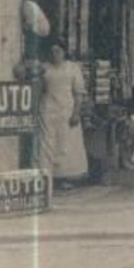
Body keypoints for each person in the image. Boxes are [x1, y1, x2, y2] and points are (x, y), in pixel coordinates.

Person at [37, 43, 89, 192]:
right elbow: (39, 88)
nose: (55, 54)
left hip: (67, 110)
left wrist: (76, 113)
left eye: (58, 51)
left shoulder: (72, 68)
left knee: (66, 144)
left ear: (64, 52)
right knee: (47, 143)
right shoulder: (44, 68)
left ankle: (65, 178)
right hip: (47, 109)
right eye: (52, 51)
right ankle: (47, 177)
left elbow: (79, 92)